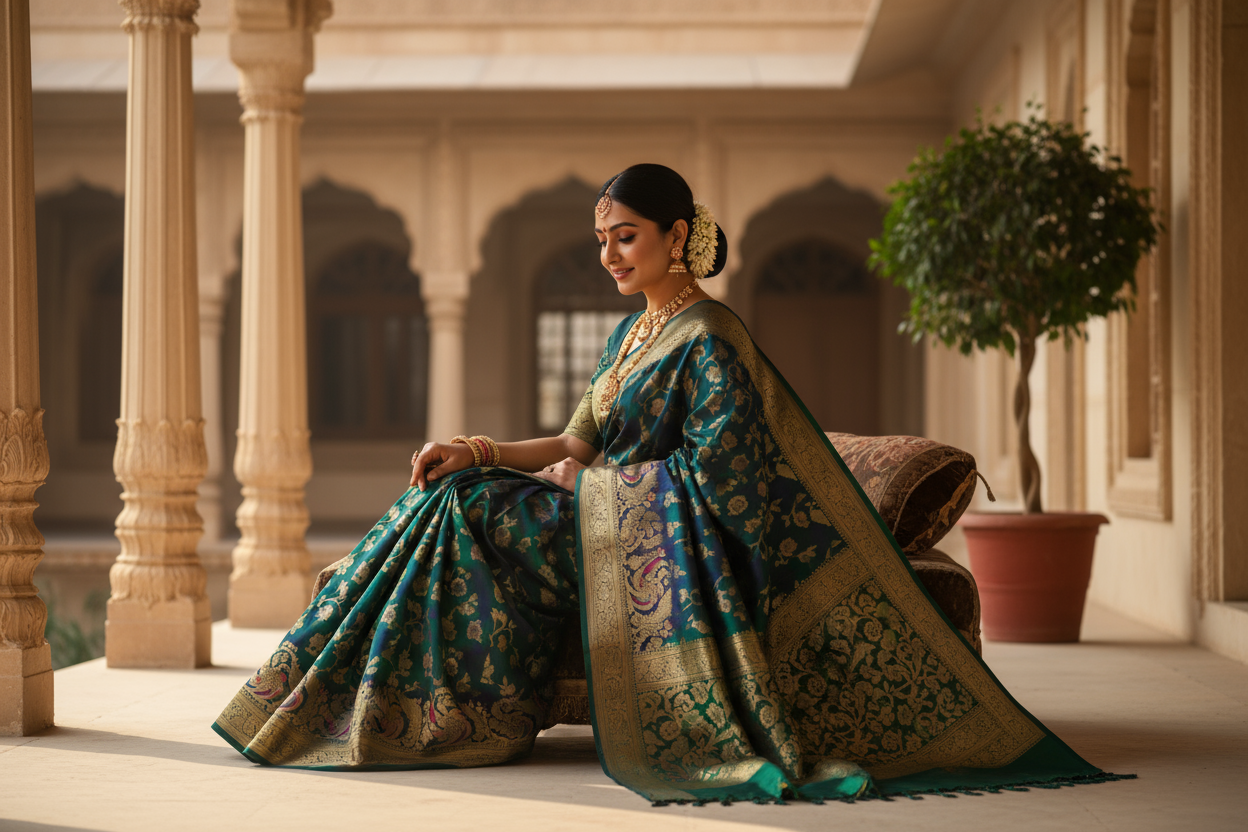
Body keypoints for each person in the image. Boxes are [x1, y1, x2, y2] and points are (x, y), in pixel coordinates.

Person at [213, 164, 1128, 803]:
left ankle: (411, 712)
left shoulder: (713, 337)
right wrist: (480, 448)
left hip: (660, 550)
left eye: (627, 237)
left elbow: (720, 480)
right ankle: (392, 709)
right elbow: (574, 443)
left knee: (467, 512)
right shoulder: (629, 339)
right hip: (601, 522)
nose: (610, 254)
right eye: (603, 240)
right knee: (453, 494)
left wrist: (596, 496)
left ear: (677, 236)